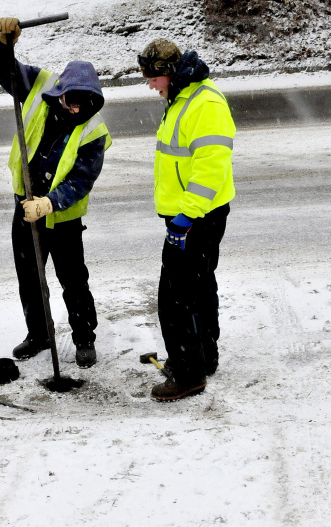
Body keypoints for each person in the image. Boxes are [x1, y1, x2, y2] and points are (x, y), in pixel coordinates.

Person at [0, 17, 111, 368]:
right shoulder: (39, 87)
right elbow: (4, 71)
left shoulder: (93, 131)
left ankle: (84, 338)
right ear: (60, 94)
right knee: (29, 277)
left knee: (73, 280)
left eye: (82, 105)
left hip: (63, 217)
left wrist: (49, 203)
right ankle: (40, 334)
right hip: (24, 206)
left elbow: (81, 180)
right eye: (69, 102)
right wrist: (4, 44)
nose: (74, 110)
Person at [138, 39, 236, 400]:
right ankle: (204, 357)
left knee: (175, 296)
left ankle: (188, 374)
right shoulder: (181, 96)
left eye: (152, 77)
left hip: (196, 216)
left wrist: (185, 217)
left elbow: (211, 168)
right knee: (198, 285)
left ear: (169, 72)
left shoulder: (205, 103)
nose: (149, 84)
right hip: (191, 214)